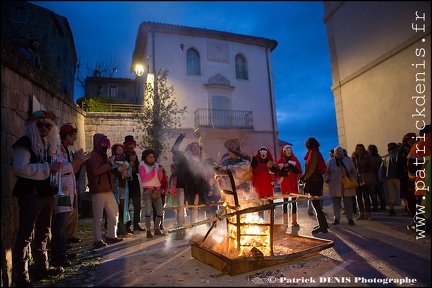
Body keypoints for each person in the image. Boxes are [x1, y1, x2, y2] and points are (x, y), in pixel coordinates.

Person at [12, 110, 64, 286]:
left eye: (48, 125)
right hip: (31, 194)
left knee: (43, 232)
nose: (44, 128)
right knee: (26, 234)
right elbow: (19, 168)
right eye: (40, 124)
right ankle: (22, 276)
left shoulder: (46, 145)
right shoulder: (25, 143)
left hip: (45, 194)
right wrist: (47, 168)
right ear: (32, 125)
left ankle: (42, 266)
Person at [50, 123, 89, 267]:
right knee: (60, 223)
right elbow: (61, 168)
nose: (76, 138)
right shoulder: (59, 149)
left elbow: (72, 169)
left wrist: (80, 161)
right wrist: (77, 160)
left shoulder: (66, 149)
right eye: (73, 135)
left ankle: (62, 250)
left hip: (68, 191)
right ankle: (58, 253)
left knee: (64, 221)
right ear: (67, 135)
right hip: (63, 192)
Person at [86, 133, 124, 249]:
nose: (104, 145)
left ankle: (111, 235)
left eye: (105, 143)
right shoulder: (92, 156)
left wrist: (116, 170)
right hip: (98, 190)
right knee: (98, 216)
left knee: (114, 212)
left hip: (108, 189)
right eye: (102, 142)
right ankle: (97, 240)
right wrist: (109, 164)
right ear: (98, 143)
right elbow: (95, 171)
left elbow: (107, 170)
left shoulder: (104, 156)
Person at [299, 137, 328, 234]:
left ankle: (323, 226)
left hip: (315, 180)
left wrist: (305, 178)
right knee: (316, 203)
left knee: (316, 203)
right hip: (316, 180)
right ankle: (323, 224)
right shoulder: (315, 152)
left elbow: (311, 168)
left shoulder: (313, 153)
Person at [325, 146, 356, 226]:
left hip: (346, 184)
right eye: (337, 152)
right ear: (334, 153)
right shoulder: (330, 161)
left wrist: (353, 178)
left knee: (348, 203)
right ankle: (337, 218)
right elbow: (326, 172)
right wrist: (328, 178)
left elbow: (353, 170)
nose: (339, 153)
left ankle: (350, 218)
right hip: (335, 184)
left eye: (340, 151)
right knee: (336, 203)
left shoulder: (348, 160)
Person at [407, 124, 431, 233]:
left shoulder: (418, 145)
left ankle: (420, 226)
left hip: (423, 181)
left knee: (421, 203)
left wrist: (412, 179)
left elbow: (412, 167)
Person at [139, 149, 166, 238]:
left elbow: (160, 179)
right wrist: (153, 171)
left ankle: (157, 228)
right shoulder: (142, 167)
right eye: (150, 156)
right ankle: (148, 230)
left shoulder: (157, 166)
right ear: (146, 157)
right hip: (147, 191)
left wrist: (160, 171)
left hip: (156, 190)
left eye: (153, 156)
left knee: (160, 210)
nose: (152, 158)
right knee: (147, 211)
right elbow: (144, 179)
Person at [276, 144, 302, 228]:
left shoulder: (295, 159)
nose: (288, 151)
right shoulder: (280, 160)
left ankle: (294, 221)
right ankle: (285, 222)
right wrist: (284, 173)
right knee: (285, 203)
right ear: (284, 152)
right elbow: (277, 172)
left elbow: (298, 171)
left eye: (289, 150)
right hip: (285, 185)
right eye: (286, 150)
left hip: (293, 184)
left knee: (294, 203)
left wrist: (291, 166)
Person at [123, 135, 146, 233]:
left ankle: (136, 224)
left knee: (137, 203)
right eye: (129, 144)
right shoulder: (123, 154)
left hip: (135, 179)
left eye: (132, 144)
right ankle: (127, 226)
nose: (131, 146)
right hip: (127, 180)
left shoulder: (134, 154)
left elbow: (137, 167)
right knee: (127, 204)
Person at [111, 143, 132, 238]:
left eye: (121, 150)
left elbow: (129, 174)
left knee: (123, 209)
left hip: (123, 188)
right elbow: (111, 172)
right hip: (115, 188)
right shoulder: (112, 161)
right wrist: (118, 170)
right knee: (115, 209)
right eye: (118, 150)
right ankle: (113, 231)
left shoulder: (126, 162)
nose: (120, 151)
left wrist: (125, 172)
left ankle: (122, 229)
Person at [251, 146, 278, 219]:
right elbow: (253, 165)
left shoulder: (270, 162)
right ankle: (261, 220)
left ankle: (271, 219)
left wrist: (273, 176)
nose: (263, 153)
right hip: (259, 187)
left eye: (265, 152)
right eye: (261, 152)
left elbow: (275, 172)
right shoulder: (256, 161)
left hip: (268, 186)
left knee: (270, 203)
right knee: (260, 204)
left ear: (267, 153)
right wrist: (254, 156)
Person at [397, 132, 418, 224]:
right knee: (409, 200)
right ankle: (414, 219)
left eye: (413, 139)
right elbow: (398, 166)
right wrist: (400, 176)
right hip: (406, 179)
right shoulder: (401, 152)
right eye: (410, 139)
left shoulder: (418, 149)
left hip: (417, 178)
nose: (412, 141)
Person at [351, 144, 374, 221]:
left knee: (366, 197)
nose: (359, 151)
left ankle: (368, 213)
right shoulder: (354, 158)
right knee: (358, 197)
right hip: (357, 179)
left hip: (364, 178)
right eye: (357, 149)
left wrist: (365, 172)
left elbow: (372, 167)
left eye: (360, 149)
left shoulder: (367, 158)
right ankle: (361, 213)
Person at [379, 142, 400, 216]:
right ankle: (408, 208)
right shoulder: (397, 155)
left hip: (388, 178)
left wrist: (381, 178)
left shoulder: (385, 158)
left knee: (391, 194)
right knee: (402, 192)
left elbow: (382, 169)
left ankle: (391, 209)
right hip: (397, 177)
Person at [367, 144, 386, 211]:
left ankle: (375, 206)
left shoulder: (369, 158)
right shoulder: (379, 157)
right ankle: (383, 205)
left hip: (372, 176)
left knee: (373, 193)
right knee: (380, 192)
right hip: (379, 176)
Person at [153, 164, 168, 230]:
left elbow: (166, 186)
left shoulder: (164, 177)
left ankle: (161, 224)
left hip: (162, 195)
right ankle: (155, 225)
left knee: (161, 210)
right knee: (155, 210)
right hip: (155, 195)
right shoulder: (153, 177)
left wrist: (163, 190)